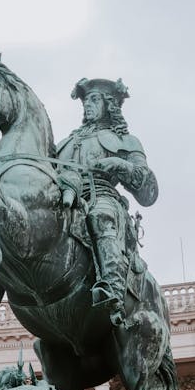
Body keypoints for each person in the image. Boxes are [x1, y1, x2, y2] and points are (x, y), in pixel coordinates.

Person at [57, 77, 158, 325]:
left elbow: (149, 191)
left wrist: (120, 164)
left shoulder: (125, 141)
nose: (87, 105)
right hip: (62, 199)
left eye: (94, 99)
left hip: (102, 195)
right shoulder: (64, 143)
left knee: (100, 216)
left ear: (109, 104)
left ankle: (112, 287)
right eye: (85, 101)